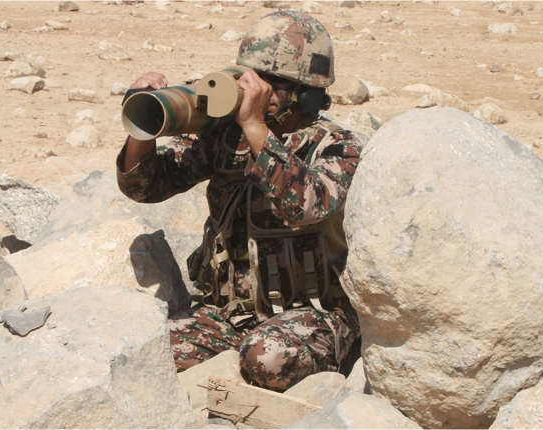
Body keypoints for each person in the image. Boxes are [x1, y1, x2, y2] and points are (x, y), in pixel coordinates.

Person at [116, 10, 364, 392]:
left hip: (314, 314)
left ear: (306, 92)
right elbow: (144, 188)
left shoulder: (337, 147)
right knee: (146, 352)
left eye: (272, 82)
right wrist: (143, 123)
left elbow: (305, 205)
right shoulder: (226, 138)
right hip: (229, 316)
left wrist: (254, 126)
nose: (255, 89)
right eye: (250, 76)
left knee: (266, 357)